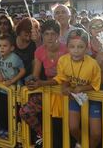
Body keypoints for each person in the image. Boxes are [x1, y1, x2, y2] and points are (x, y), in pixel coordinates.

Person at [19, 19, 68, 148]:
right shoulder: (39, 51)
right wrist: (31, 81)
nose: (49, 37)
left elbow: (64, 78)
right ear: (42, 35)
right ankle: (42, 134)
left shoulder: (67, 50)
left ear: (58, 35)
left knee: (60, 128)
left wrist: (41, 83)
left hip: (66, 93)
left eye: (53, 34)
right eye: (46, 34)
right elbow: (36, 75)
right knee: (25, 111)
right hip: (48, 92)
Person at [53, 28, 102, 148]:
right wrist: (65, 87)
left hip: (93, 99)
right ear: (67, 47)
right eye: (72, 47)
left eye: (80, 47)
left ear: (87, 48)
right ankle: (81, 142)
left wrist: (82, 88)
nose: (76, 51)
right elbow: (63, 78)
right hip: (74, 98)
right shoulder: (63, 60)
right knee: (73, 127)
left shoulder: (93, 64)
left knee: (96, 133)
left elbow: (96, 84)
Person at [0, 34, 26, 139]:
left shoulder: (15, 58)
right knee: (2, 110)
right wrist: (0, 76)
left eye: (5, 46)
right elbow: (0, 70)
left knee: (14, 112)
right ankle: (4, 129)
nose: (2, 48)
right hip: (4, 89)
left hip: (16, 90)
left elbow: (23, 71)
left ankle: (15, 133)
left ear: (12, 48)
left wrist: (12, 81)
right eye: (0, 46)